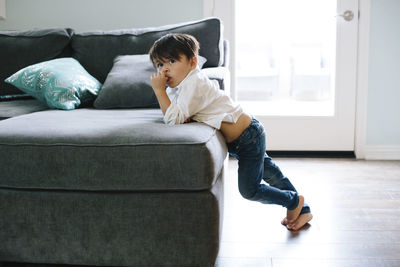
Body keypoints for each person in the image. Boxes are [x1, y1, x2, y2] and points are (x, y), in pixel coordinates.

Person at [149, 33, 313, 231]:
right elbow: (179, 114)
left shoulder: (194, 83)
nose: (164, 69)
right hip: (246, 137)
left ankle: (293, 202)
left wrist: (159, 91)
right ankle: (302, 210)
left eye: (172, 61)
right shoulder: (182, 86)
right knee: (272, 176)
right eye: (159, 65)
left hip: (247, 138)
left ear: (193, 62)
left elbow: (174, 119)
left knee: (250, 190)